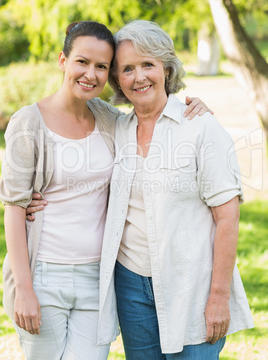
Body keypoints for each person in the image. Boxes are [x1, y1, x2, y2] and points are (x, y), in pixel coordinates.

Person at [0, 20, 208, 360]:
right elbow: (14, 207)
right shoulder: (28, 122)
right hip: (43, 275)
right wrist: (24, 289)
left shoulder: (109, 119)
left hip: (98, 279)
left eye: (102, 67)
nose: (91, 74)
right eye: (82, 61)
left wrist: (191, 106)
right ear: (63, 60)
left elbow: (151, 113)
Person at [96, 20, 254, 359]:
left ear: (166, 68)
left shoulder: (199, 126)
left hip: (191, 284)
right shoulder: (115, 128)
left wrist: (218, 296)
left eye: (147, 65)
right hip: (131, 285)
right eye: (127, 69)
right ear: (117, 79)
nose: (139, 77)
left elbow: (228, 218)